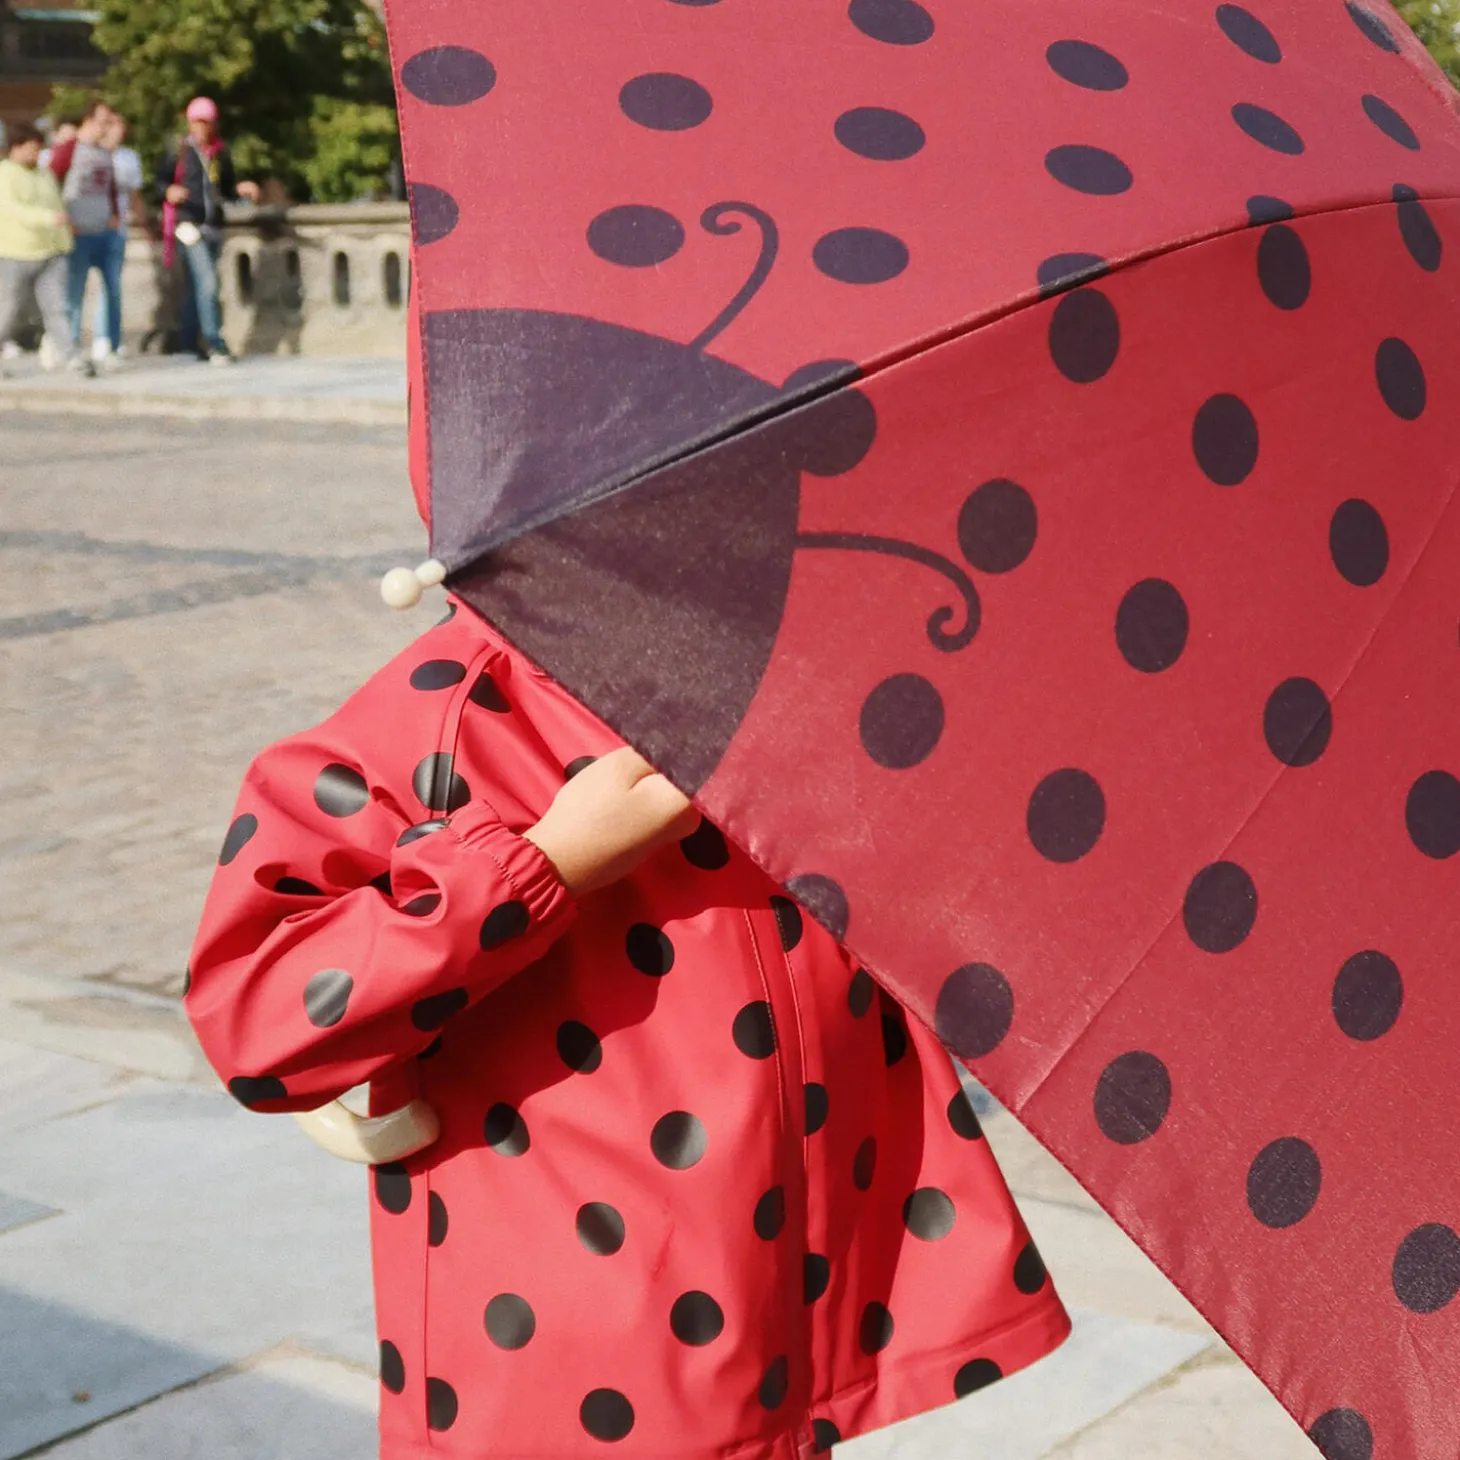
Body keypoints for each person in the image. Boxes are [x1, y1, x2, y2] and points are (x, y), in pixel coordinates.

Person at [186, 437, 1071, 1456]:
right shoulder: (454, 705)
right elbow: (255, 1011)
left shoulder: (793, 660)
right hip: (584, 1341)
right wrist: (541, 865)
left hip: (796, 1282)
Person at [157, 96, 259, 365]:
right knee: (208, 283)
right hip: (187, 225)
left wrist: (241, 190)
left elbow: (225, 189)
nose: (203, 128)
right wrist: (169, 191)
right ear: (190, 123)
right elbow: (159, 182)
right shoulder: (179, 151)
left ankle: (188, 343)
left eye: (207, 123)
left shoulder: (219, 152)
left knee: (197, 287)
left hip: (212, 226)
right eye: (198, 123)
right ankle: (215, 342)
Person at [0, 120, 86, 376]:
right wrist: (46, 218)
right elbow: (12, 209)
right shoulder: (5, 174)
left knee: (56, 307)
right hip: (16, 254)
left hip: (50, 252)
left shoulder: (43, 173)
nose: (35, 154)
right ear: (16, 148)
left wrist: (65, 236)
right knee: (8, 310)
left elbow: (56, 205)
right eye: (31, 148)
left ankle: (71, 357)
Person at [49, 99, 119, 366]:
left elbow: (109, 187)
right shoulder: (69, 149)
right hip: (77, 232)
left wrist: (114, 214)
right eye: (103, 121)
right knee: (73, 293)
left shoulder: (104, 152)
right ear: (88, 120)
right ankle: (69, 346)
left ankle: (108, 344)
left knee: (110, 290)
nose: (107, 126)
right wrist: (63, 219)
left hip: (103, 229)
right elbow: (50, 182)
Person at [90, 109, 142, 367]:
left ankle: (111, 337)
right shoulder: (90, 152)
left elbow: (134, 194)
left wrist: (143, 221)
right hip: (90, 227)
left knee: (112, 285)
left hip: (117, 226)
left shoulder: (128, 158)